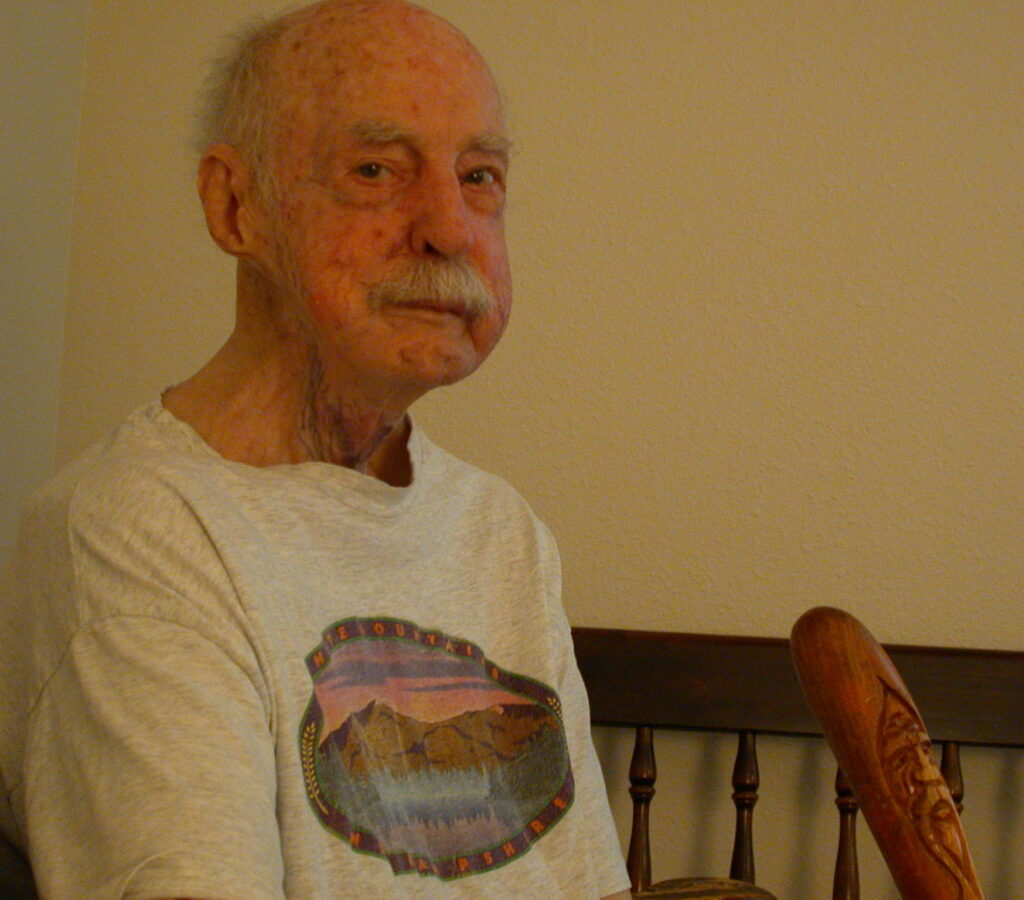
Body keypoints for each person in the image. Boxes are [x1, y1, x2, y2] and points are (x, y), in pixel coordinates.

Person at [0, 2, 632, 898]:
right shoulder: (135, 531)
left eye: (480, 177)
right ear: (235, 205)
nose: (450, 229)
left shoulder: (502, 529)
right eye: (377, 170)